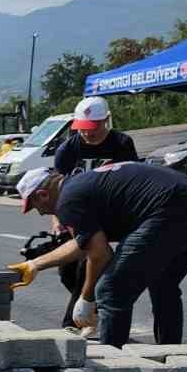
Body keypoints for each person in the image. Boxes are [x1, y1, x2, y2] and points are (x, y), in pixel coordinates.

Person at [8, 164, 187, 348]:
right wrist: (35, 264)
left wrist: (87, 298)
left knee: (110, 290)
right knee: (163, 283)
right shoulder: (81, 185)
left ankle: (112, 367)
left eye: (35, 206)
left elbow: (100, 254)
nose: (42, 213)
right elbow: (84, 243)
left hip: (171, 211)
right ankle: (171, 354)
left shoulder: (67, 201)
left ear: (43, 195)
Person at [49, 97, 140, 330]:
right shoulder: (68, 149)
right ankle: (91, 306)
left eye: (92, 128)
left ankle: (74, 321)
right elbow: (57, 186)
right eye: (82, 129)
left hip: (108, 214)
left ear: (106, 121)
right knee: (66, 270)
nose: (87, 134)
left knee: (88, 263)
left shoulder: (122, 144)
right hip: (76, 212)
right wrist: (57, 218)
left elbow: (130, 181)